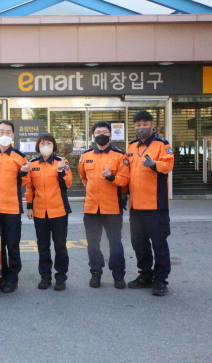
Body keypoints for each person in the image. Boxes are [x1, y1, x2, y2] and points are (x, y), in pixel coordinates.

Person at [126, 111, 174, 296]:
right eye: (138, 125)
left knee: (159, 244)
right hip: (136, 205)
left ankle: (160, 280)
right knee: (139, 244)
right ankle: (145, 275)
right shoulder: (131, 146)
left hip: (155, 205)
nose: (141, 127)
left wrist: (155, 164)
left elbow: (168, 165)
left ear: (152, 125)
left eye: (145, 124)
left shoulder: (162, 144)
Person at [78, 121, 130, 289]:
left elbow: (125, 180)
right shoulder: (86, 156)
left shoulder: (119, 156)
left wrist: (110, 177)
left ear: (110, 135)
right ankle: (95, 273)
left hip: (112, 208)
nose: (101, 134)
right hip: (91, 208)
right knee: (93, 244)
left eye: (105, 132)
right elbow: (84, 177)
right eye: (98, 132)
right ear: (93, 136)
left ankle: (118, 275)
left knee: (115, 243)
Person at [22, 133, 72, 291]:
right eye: (42, 143)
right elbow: (29, 188)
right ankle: (45, 276)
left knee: (60, 246)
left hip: (59, 211)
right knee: (43, 246)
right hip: (39, 212)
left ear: (54, 146)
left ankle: (61, 277)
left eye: (49, 143)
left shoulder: (61, 162)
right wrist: (29, 206)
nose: (45, 146)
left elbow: (68, 184)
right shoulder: (32, 164)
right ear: (38, 146)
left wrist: (60, 171)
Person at [0, 120, 27, 294]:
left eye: (8, 132)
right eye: (1, 131)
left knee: (12, 245)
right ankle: (0, 276)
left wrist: (24, 173)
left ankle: (12, 278)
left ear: (13, 135)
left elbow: (26, 182)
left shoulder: (19, 156)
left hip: (12, 208)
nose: (4, 135)